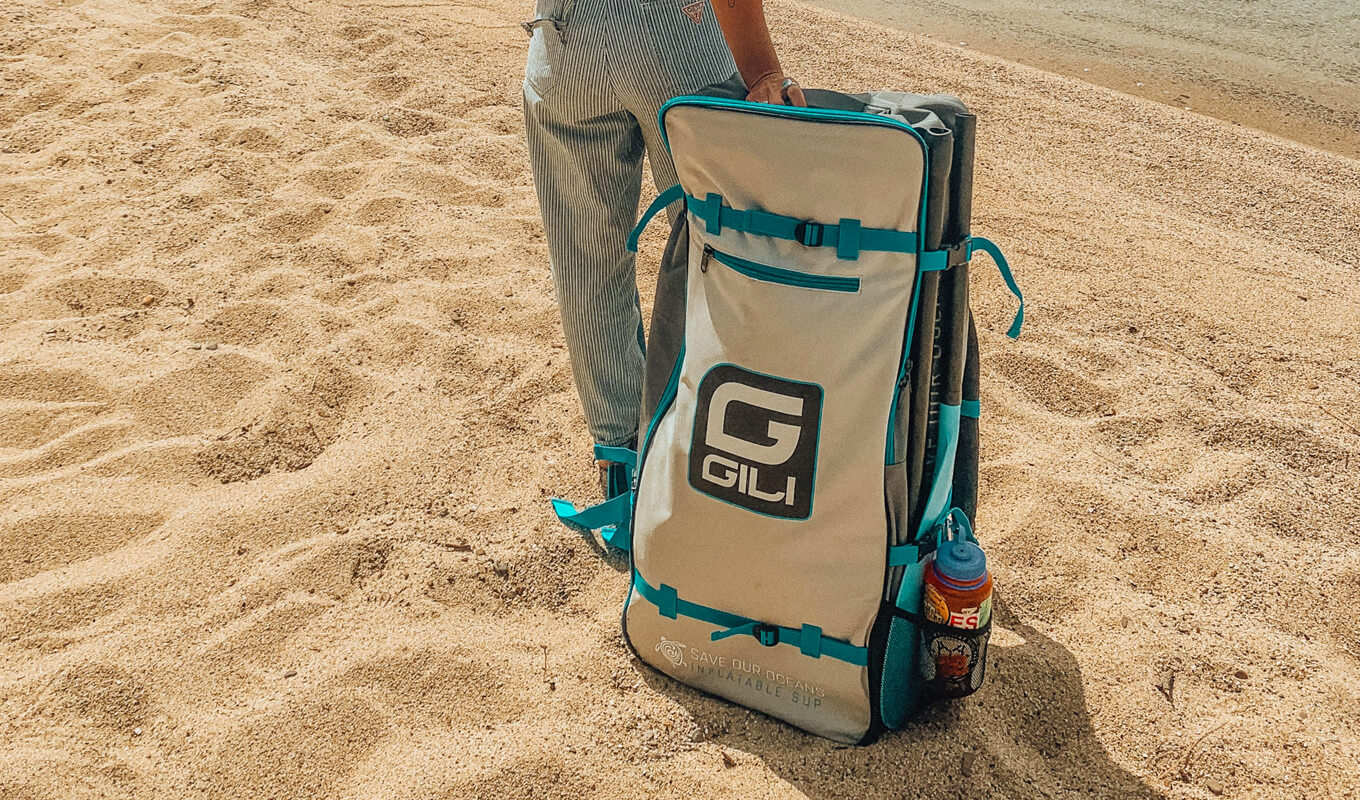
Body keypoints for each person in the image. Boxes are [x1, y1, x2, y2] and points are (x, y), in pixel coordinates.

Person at [523, 0, 802, 498]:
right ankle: (726, 453)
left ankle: (621, 461)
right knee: (725, 256)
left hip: (563, 37)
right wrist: (762, 66)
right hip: (673, 30)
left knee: (586, 265)